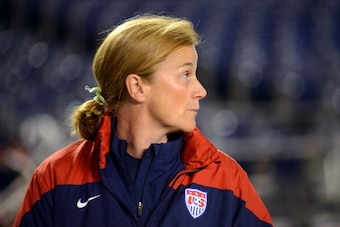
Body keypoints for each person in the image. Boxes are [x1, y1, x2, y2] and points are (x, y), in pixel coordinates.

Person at [13, 14, 273, 226]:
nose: (200, 90)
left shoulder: (226, 178)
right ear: (137, 87)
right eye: (186, 75)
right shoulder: (54, 178)